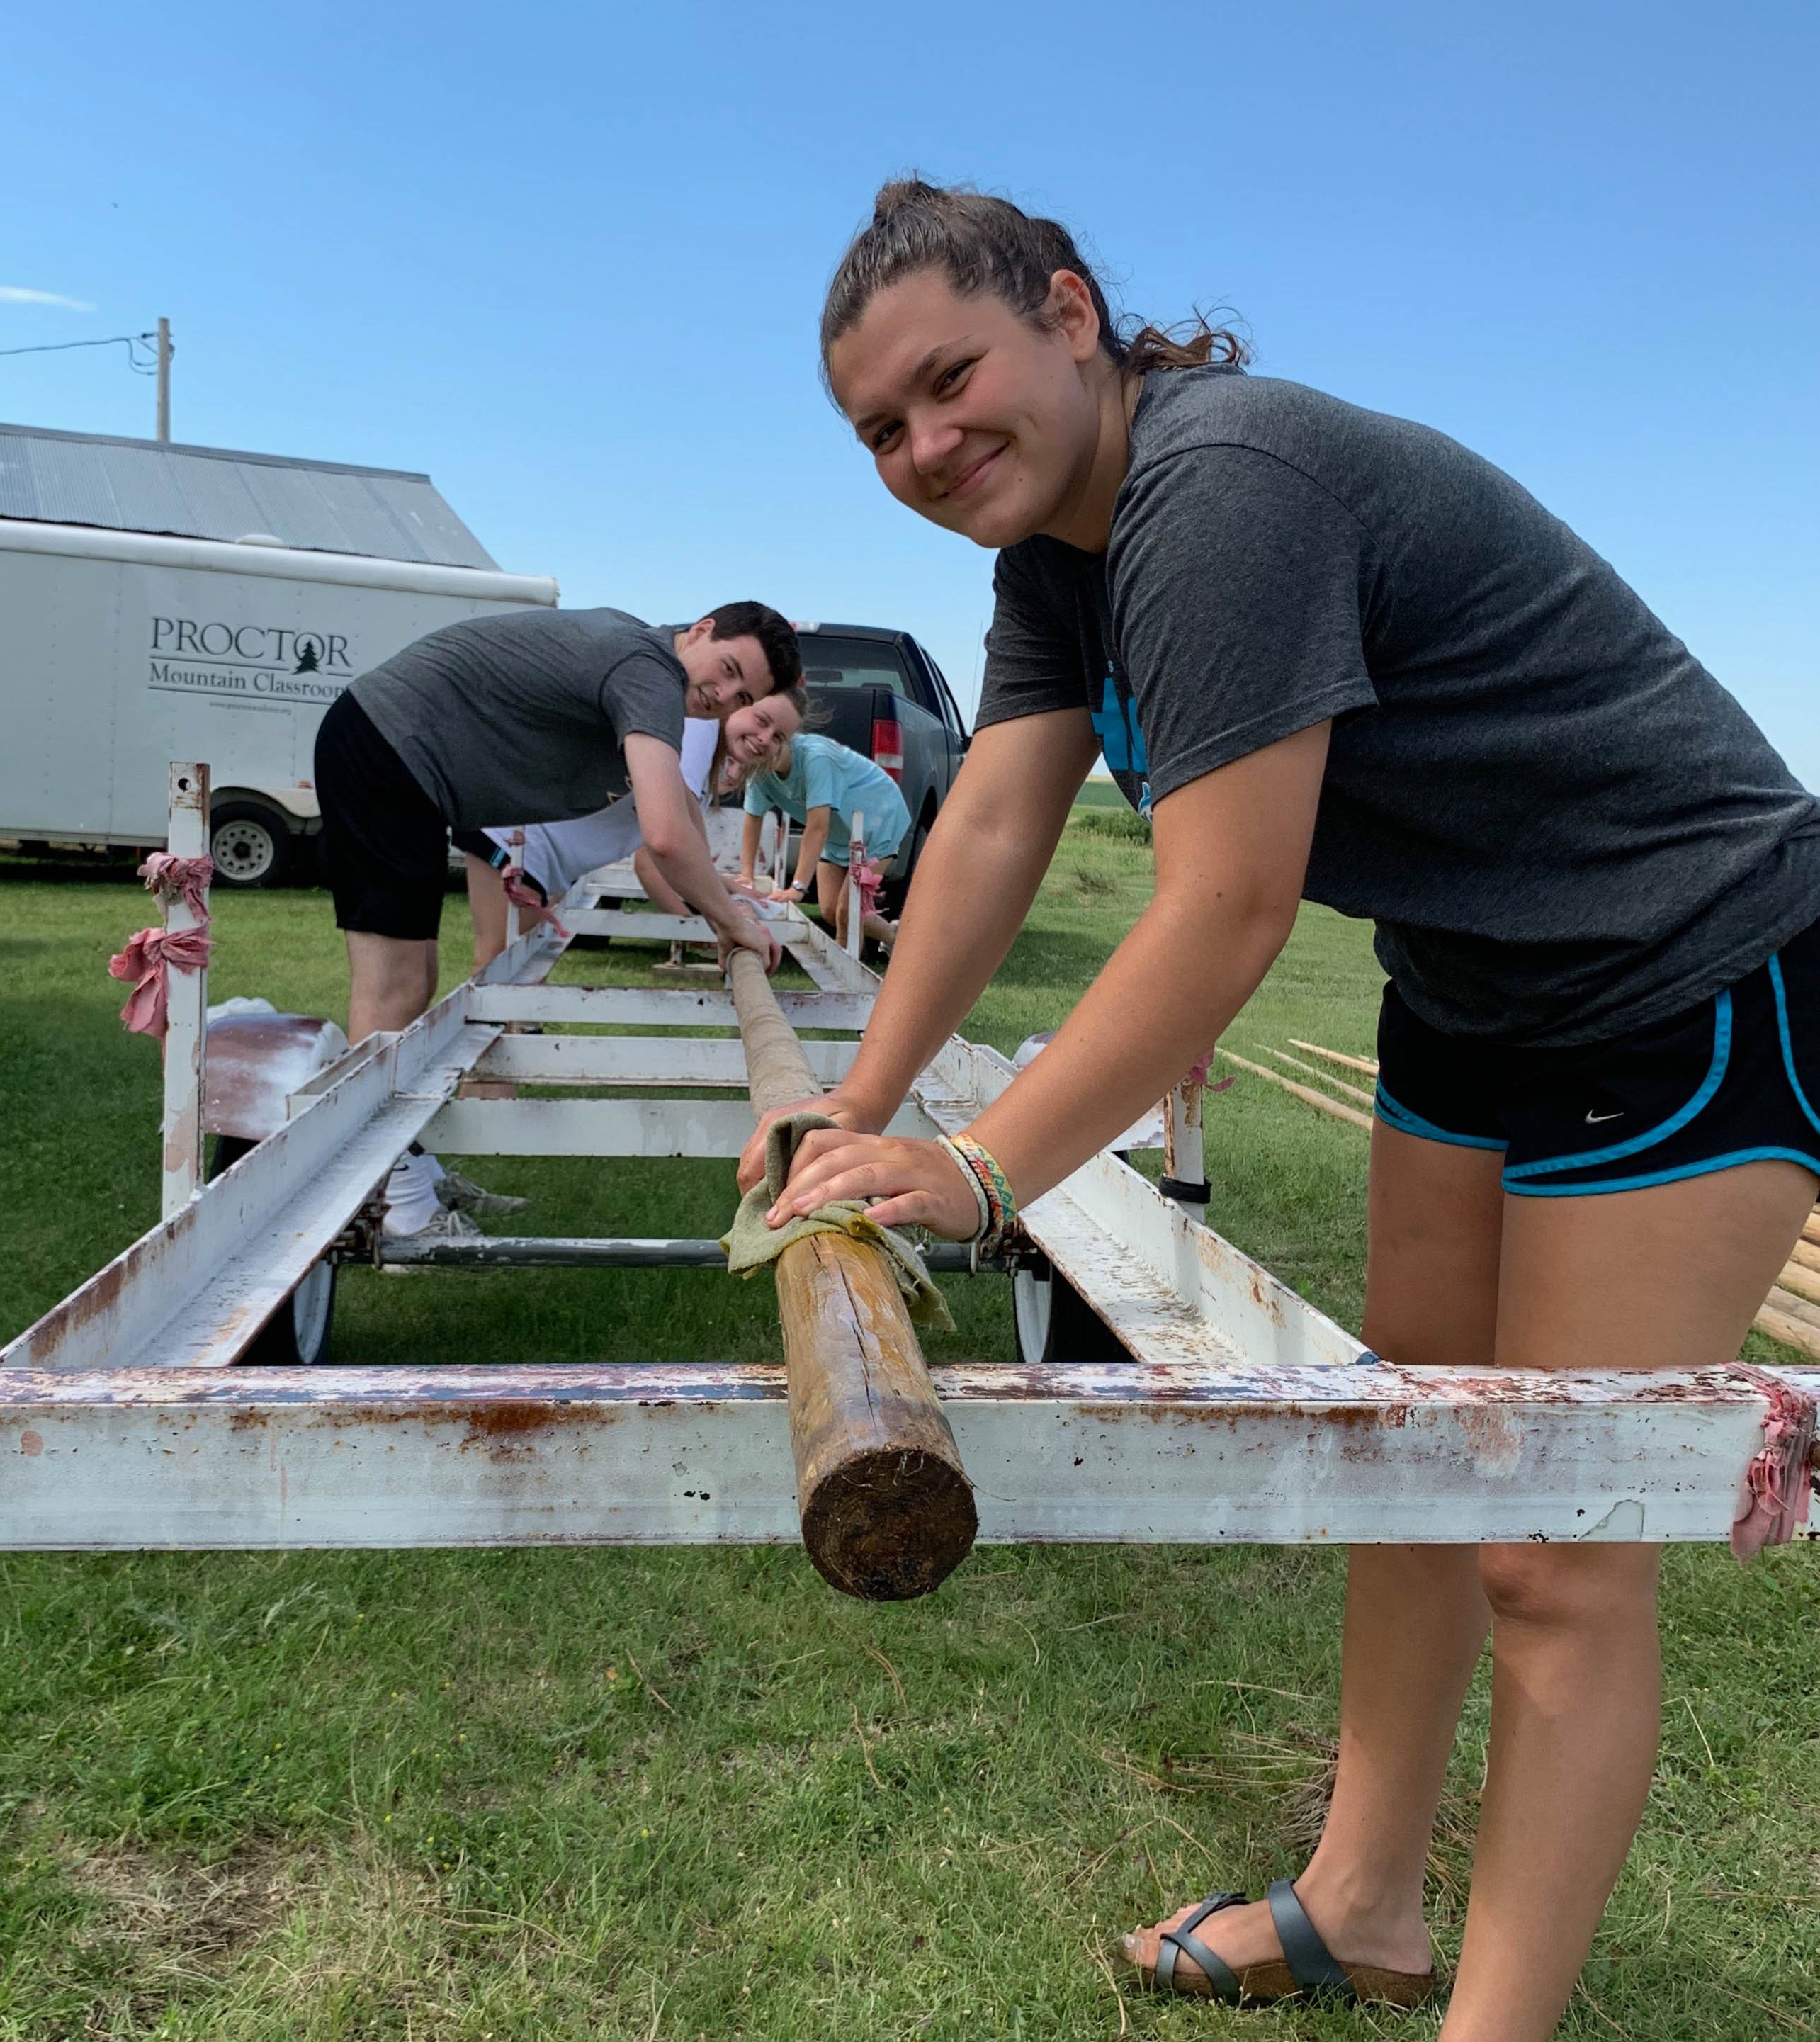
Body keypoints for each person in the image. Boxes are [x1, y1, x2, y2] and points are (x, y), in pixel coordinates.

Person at [740, 181, 1820, 2042]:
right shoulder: (1056, 558)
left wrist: (980, 1171)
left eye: (948, 380)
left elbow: (1226, 906)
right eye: (879, 430)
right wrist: (857, 1090)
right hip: (1473, 987)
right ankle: (1365, 1904)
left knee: (1551, 1550)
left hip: (1685, 972)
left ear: (1071, 314)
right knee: (1410, 1464)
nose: (923, 445)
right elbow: (997, 812)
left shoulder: (1221, 486)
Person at [315, 600, 797, 1237]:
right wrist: (732, 921)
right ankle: (387, 1201)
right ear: (701, 631)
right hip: (387, 750)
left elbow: (678, 802)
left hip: (396, 758)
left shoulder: (649, 665)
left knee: (415, 980)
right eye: (729, 669)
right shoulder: (648, 667)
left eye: (744, 694)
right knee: (394, 989)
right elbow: (665, 836)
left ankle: (403, 1167)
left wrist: (725, 897)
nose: (724, 694)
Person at [463, 711, 723, 975]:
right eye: (760, 720)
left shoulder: (702, 736)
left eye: (770, 736)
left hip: (542, 851)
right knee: (497, 967)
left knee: (521, 970)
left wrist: (723, 904)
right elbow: (660, 852)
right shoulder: (703, 724)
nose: (763, 740)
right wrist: (715, 919)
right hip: (525, 843)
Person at [736, 704, 908, 952]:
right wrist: (747, 874)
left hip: (878, 821)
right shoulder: (759, 769)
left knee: (847, 911)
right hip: (840, 833)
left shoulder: (816, 758)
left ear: (783, 736)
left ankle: (846, 986)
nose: (761, 745)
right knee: (830, 911)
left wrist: (797, 888)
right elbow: (753, 819)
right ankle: (895, 938)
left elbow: (817, 828)